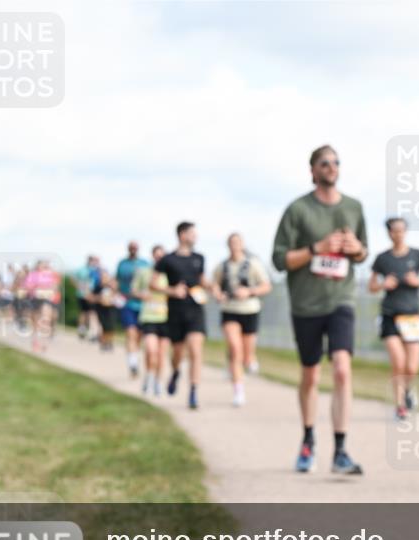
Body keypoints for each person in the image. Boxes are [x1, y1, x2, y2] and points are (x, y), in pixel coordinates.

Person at [272, 144, 367, 475]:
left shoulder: (354, 207)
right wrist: (317, 248)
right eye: (325, 163)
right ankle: (308, 439)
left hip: (341, 299)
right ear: (313, 170)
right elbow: (280, 260)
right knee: (311, 374)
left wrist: (356, 249)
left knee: (342, 368)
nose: (331, 167)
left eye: (336, 162)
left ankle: (340, 451)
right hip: (306, 303)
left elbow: (362, 253)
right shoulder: (298, 210)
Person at [368, 217, 419, 420]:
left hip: (412, 317)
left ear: (406, 232)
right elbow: (371, 286)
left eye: (401, 230)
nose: (398, 234)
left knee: (412, 367)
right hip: (390, 316)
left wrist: (417, 281)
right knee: (398, 362)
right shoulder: (382, 258)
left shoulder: (416, 255)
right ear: (389, 233)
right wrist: (383, 284)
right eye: (394, 230)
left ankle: (407, 391)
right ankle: (400, 406)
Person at [212, 232, 272, 406]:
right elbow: (214, 284)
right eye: (232, 242)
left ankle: (250, 359)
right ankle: (238, 391)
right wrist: (218, 294)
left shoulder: (253, 264)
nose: (235, 245)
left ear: (242, 244)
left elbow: (266, 286)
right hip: (229, 310)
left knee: (246, 355)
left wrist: (249, 291)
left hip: (249, 310)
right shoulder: (222, 266)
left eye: (237, 242)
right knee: (234, 348)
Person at [153, 221, 208, 410]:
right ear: (182, 235)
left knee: (195, 350)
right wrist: (172, 290)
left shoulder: (199, 258)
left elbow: (202, 281)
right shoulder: (167, 259)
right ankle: (176, 371)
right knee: (177, 353)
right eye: (192, 233)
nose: (195, 236)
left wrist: (214, 288)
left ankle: (193, 391)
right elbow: (153, 284)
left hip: (195, 310)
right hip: (176, 312)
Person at [131, 244, 170, 396]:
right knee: (151, 350)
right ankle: (149, 376)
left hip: (166, 317)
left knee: (161, 354)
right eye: (157, 255)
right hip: (149, 316)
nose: (159, 258)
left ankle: (157, 382)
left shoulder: (170, 274)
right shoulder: (144, 272)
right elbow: (134, 290)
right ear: (153, 256)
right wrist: (142, 295)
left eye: (162, 256)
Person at [116, 242, 151, 378]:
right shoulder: (122, 264)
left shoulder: (145, 263)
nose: (133, 250)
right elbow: (117, 282)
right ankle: (133, 364)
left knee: (138, 336)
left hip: (142, 305)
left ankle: (133, 356)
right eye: (131, 248)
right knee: (131, 333)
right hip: (127, 303)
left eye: (135, 248)